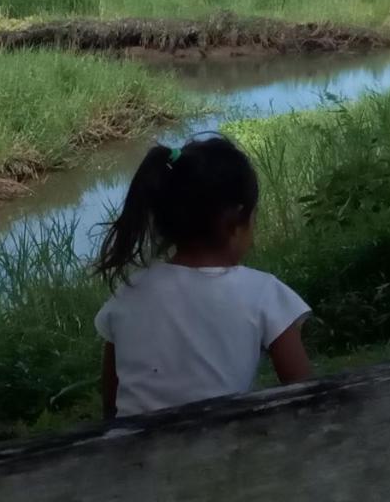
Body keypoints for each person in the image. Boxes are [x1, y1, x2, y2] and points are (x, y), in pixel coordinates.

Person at [94, 135, 313, 419]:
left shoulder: (128, 292)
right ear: (236, 220)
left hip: (130, 453)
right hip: (219, 454)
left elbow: (111, 405)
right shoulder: (263, 292)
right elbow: (307, 394)